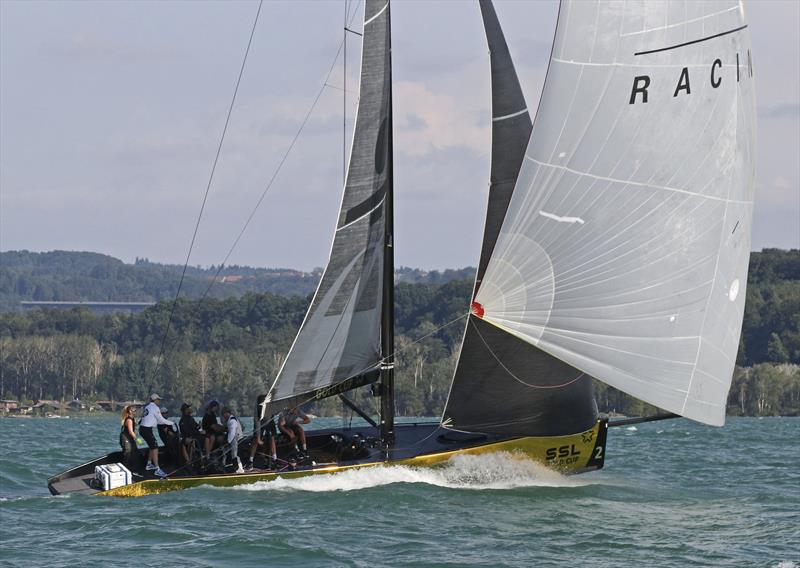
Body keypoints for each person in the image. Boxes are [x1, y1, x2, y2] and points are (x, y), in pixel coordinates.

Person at [139, 393, 175, 478]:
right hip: (146, 430)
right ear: (155, 400)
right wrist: (172, 423)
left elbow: (155, 420)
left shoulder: (147, 407)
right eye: (159, 399)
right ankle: (157, 469)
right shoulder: (155, 408)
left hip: (143, 429)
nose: (160, 401)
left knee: (152, 446)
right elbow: (161, 419)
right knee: (155, 448)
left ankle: (149, 464)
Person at [246, 395, 277, 471]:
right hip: (260, 422)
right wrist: (259, 438)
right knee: (255, 440)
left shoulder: (271, 405)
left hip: (270, 422)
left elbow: (278, 411)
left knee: (271, 438)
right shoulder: (257, 409)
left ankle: (274, 459)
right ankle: (250, 461)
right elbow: (257, 424)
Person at [118, 405, 142, 472]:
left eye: (136, 411)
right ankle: (124, 470)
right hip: (126, 438)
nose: (136, 412)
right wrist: (137, 439)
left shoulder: (132, 419)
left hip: (129, 438)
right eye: (135, 411)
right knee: (128, 453)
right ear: (130, 411)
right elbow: (131, 431)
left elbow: (134, 426)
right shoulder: (129, 419)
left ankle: (134, 470)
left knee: (135, 452)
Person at [221, 407, 244, 474]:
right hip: (235, 439)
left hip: (236, 439)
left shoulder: (232, 421)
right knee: (234, 455)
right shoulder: (230, 420)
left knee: (234, 455)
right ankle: (238, 468)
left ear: (227, 413)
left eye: (223, 414)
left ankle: (239, 469)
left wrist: (228, 442)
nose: (223, 416)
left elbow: (232, 433)